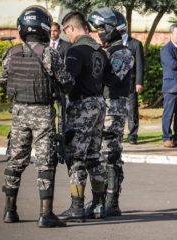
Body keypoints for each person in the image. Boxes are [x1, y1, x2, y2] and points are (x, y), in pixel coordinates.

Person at [0, 5, 73, 228]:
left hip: (19, 112)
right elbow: (67, 81)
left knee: (16, 159)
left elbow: (4, 81)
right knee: (45, 162)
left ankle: (9, 211)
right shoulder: (49, 53)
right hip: (42, 112)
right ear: (43, 26)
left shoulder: (10, 53)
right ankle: (46, 214)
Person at [57, 11, 108, 222]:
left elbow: (67, 79)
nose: (66, 36)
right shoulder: (100, 51)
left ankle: (77, 207)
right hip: (98, 103)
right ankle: (98, 205)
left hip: (82, 107)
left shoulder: (75, 50)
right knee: (94, 157)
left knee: (77, 157)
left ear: (71, 28)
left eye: (65, 31)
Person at [87, 7, 134, 218]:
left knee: (110, 154)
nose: (99, 32)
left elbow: (113, 78)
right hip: (100, 107)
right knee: (97, 155)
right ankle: (98, 199)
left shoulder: (123, 52)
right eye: (97, 29)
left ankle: (111, 201)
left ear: (112, 28)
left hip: (113, 108)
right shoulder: (104, 51)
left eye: (101, 28)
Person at [122, 26, 144, 145]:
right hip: (117, 83)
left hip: (130, 82)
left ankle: (133, 135)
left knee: (132, 109)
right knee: (118, 109)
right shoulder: (114, 44)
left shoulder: (135, 44)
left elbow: (140, 65)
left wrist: (139, 82)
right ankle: (118, 133)